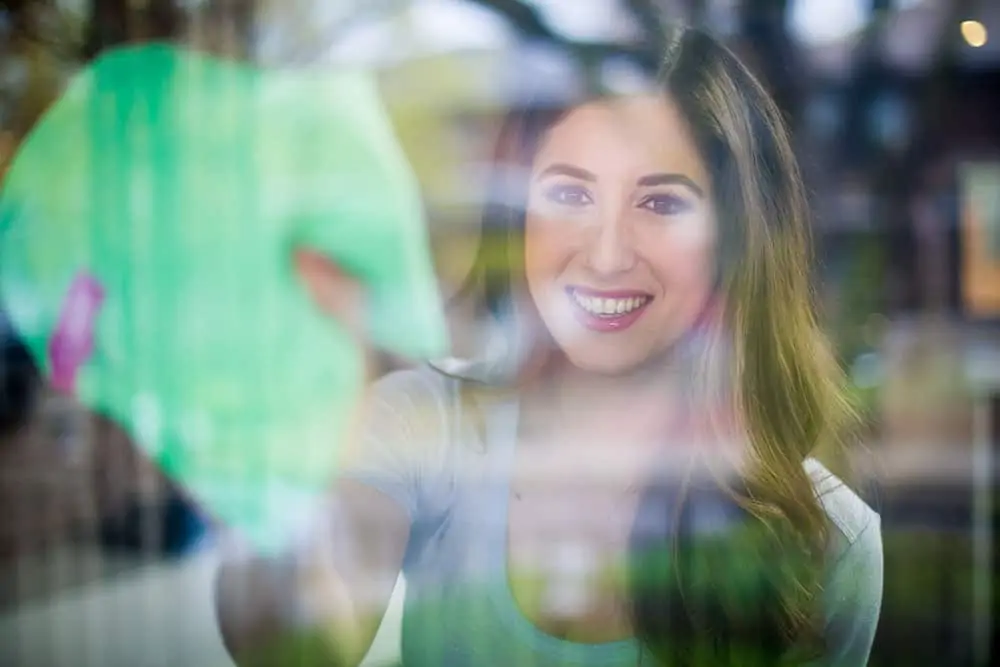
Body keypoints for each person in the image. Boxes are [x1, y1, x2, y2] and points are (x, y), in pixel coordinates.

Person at [215, 23, 882, 667]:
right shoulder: (424, 424)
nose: (607, 252)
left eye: (660, 203)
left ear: (735, 237)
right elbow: (291, 647)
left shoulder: (832, 542)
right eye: (568, 193)